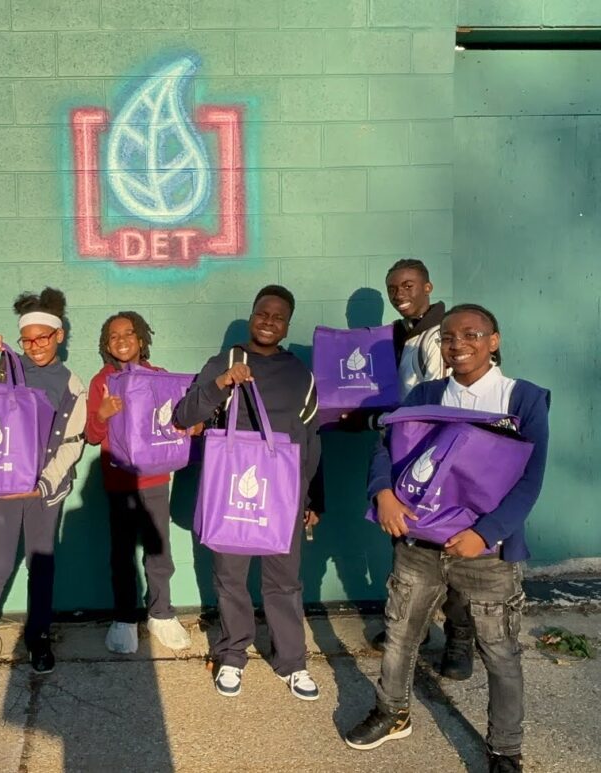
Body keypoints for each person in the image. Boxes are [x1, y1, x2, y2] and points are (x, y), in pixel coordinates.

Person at [345, 304, 550, 773]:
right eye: (449, 338)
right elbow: (386, 449)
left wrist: (485, 533)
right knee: (400, 635)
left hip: (485, 552)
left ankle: (505, 749)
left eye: (471, 334)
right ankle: (392, 713)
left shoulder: (523, 400)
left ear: (494, 340)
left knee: (499, 651)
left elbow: (530, 480)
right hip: (419, 545)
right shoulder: (427, 394)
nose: (458, 345)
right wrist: (383, 494)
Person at [174, 285, 321, 699]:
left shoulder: (300, 374)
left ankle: (292, 662)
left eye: (278, 317)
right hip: (233, 489)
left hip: (286, 495)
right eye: (262, 314)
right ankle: (233, 655)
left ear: (287, 324)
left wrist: (313, 499)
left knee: (284, 582)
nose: (269, 322)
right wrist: (223, 382)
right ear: (252, 315)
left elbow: (311, 439)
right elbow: (183, 416)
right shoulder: (226, 361)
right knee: (230, 578)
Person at [342, 258, 474, 679]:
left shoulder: (442, 336)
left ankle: (459, 638)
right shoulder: (400, 337)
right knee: (408, 550)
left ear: (428, 287)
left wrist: (374, 420)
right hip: (407, 456)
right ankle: (412, 631)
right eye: (393, 288)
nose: (400, 294)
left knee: (450, 551)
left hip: (444, 458)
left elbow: (439, 405)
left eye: (409, 285)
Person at [0, 288, 86, 681]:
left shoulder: (71, 382)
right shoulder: (0, 368)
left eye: (42, 338)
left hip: (45, 491)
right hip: (3, 487)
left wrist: (43, 485)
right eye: (27, 339)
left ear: (58, 335)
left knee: (40, 565)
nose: (34, 346)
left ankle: (39, 635)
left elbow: (73, 443)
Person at [85, 312, 193, 654]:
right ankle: (125, 618)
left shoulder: (159, 377)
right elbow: (90, 435)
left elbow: (176, 421)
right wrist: (102, 414)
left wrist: (188, 428)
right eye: (113, 336)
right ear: (106, 345)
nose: (121, 340)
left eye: (129, 333)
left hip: (156, 479)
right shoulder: (101, 380)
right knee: (122, 553)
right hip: (119, 482)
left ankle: (161, 613)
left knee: (158, 550)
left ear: (142, 339)